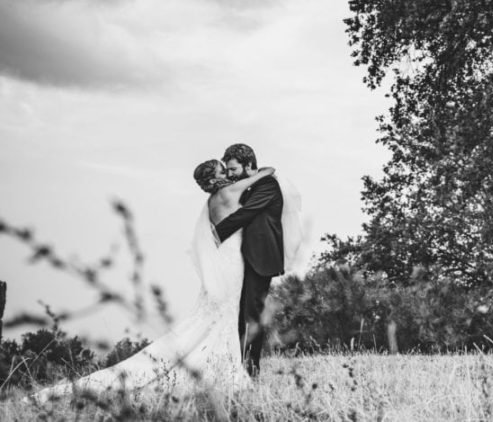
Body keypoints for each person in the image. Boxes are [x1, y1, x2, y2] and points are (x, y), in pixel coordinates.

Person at [28, 158, 299, 403]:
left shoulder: (212, 200)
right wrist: (257, 171)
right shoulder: (229, 192)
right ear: (216, 178)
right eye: (223, 169)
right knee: (227, 316)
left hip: (231, 261)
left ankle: (229, 365)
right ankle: (228, 369)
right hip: (233, 264)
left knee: (224, 317)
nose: (228, 173)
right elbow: (266, 172)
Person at [213, 143, 284, 378]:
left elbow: (246, 214)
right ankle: (237, 367)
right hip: (242, 259)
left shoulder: (268, 185)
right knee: (239, 314)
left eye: (233, 169)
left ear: (249, 166)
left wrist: (215, 234)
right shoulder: (247, 187)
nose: (230, 174)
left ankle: (251, 371)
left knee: (253, 315)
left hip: (261, 258)